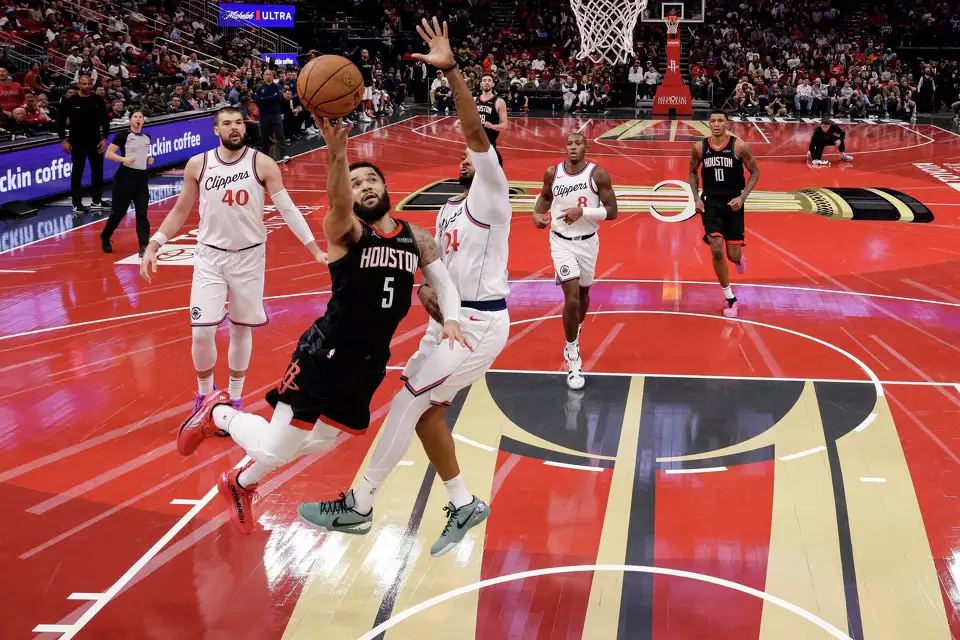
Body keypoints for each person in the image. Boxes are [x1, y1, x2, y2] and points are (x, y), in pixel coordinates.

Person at [173, 113, 467, 537]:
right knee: (277, 447)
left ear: (386, 188)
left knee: (321, 441)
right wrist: (337, 154)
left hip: (367, 365)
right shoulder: (344, 230)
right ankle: (217, 413)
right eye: (356, 182)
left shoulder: (415, 237)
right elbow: (337, 203)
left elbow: (443, 284)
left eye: (372, 180)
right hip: (324, 355)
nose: (365, 186)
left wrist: (452, 320)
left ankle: (239, 483)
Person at [298, 17, 512, 557]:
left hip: (480, 323)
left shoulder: (492, 195)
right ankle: (463, 502)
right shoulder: (445, 211)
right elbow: (432, 277)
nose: (468, 155)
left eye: (479, 155)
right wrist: (429, 299)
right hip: (448, 327)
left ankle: (360, 505)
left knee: (404, 405)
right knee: (427, 414)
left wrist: (454, 71)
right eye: (467, 156)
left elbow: (473, 132)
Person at [140, 106, 324, 420]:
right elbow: (181, 209)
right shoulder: (199, 164)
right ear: (216, 130)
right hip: (210, 257)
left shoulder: (262, 163)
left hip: (250, 257)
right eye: (227, 123)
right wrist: (155, 243)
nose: (235, 127)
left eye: (239, 122)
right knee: (201, 332)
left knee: (240, 330)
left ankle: (235, 398)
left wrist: (314, 248)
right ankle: (204, 395)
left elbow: (289, 209)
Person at [532, 132, 618, 389]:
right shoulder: (553, 172)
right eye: (569, 144)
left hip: (588, 242)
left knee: (582, 295)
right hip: (560, 242)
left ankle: (576, 329)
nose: (572, 148)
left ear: (585, 147)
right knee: (570, 298)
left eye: (577, 143)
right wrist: (536, 213)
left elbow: (613, 211)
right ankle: (573, 354)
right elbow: (546, 197)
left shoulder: (597, 175)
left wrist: (584, 211)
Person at [688, 109, 760, 318]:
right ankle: (730, 298)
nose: (716, 124)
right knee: (717, 249)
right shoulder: (699, 147)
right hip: (711, 202)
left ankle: (739, 259)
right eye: (713, 121)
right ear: (708, 124)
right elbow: (692, 172)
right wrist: (696, 198)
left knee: (732, 254)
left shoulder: (738, 146)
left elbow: (755, 171)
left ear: (728, 124)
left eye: (720, 121)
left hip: (733, 202)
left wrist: (742, 198)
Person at [101, 109, 154, 256]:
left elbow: (144, 153)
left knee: (142, 213)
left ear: (144, 120)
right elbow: (109, 154)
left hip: (141, 178)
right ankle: (105, 236)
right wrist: (123, 159)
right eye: (135, 117)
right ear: (130, 120)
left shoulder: (147, 137)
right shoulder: (123, 135)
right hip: (125, 178)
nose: (138, 119)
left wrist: (149, 158)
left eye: (140, 117)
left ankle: (144, 246)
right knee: (118, 213)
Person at [57, 74, 111, 214]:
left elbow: (105, 121)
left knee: (98, 171)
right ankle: (76, 203)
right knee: (77, 172)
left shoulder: (97, 99)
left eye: (89, 84)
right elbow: (60, 121)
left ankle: (97, 201)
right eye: (83, 84)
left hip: (95, 141)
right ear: (79, 84)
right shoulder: (71, 101)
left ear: (92, 84)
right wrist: (63, 139)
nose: (87, 87)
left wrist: (105, 139)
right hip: (77, 142)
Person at [253, 69, 289, 163]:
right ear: (264, 76)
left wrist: (264, 99)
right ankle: (265, 156)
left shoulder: (277, 87)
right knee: (264, 136)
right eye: (266, 74)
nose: (268, 76)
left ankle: (285, 155)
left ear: (272, 76)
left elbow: (278, 98)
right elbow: (257, 100)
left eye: (270, 74)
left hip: (275, 115)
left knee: (280, 135)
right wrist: (271, 99)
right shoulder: (259, 88)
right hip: (264, 116)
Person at [476, 72, 508, 149]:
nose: (487, 82)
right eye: (484, 80)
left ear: (493, 84)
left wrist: (492, 126)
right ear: (480, 84)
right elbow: (467, 119)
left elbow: (505, 125)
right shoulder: (473, 100)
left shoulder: (499, 102)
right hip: (474, 142)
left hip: (490, 144)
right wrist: (460, 121)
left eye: (489, 80)